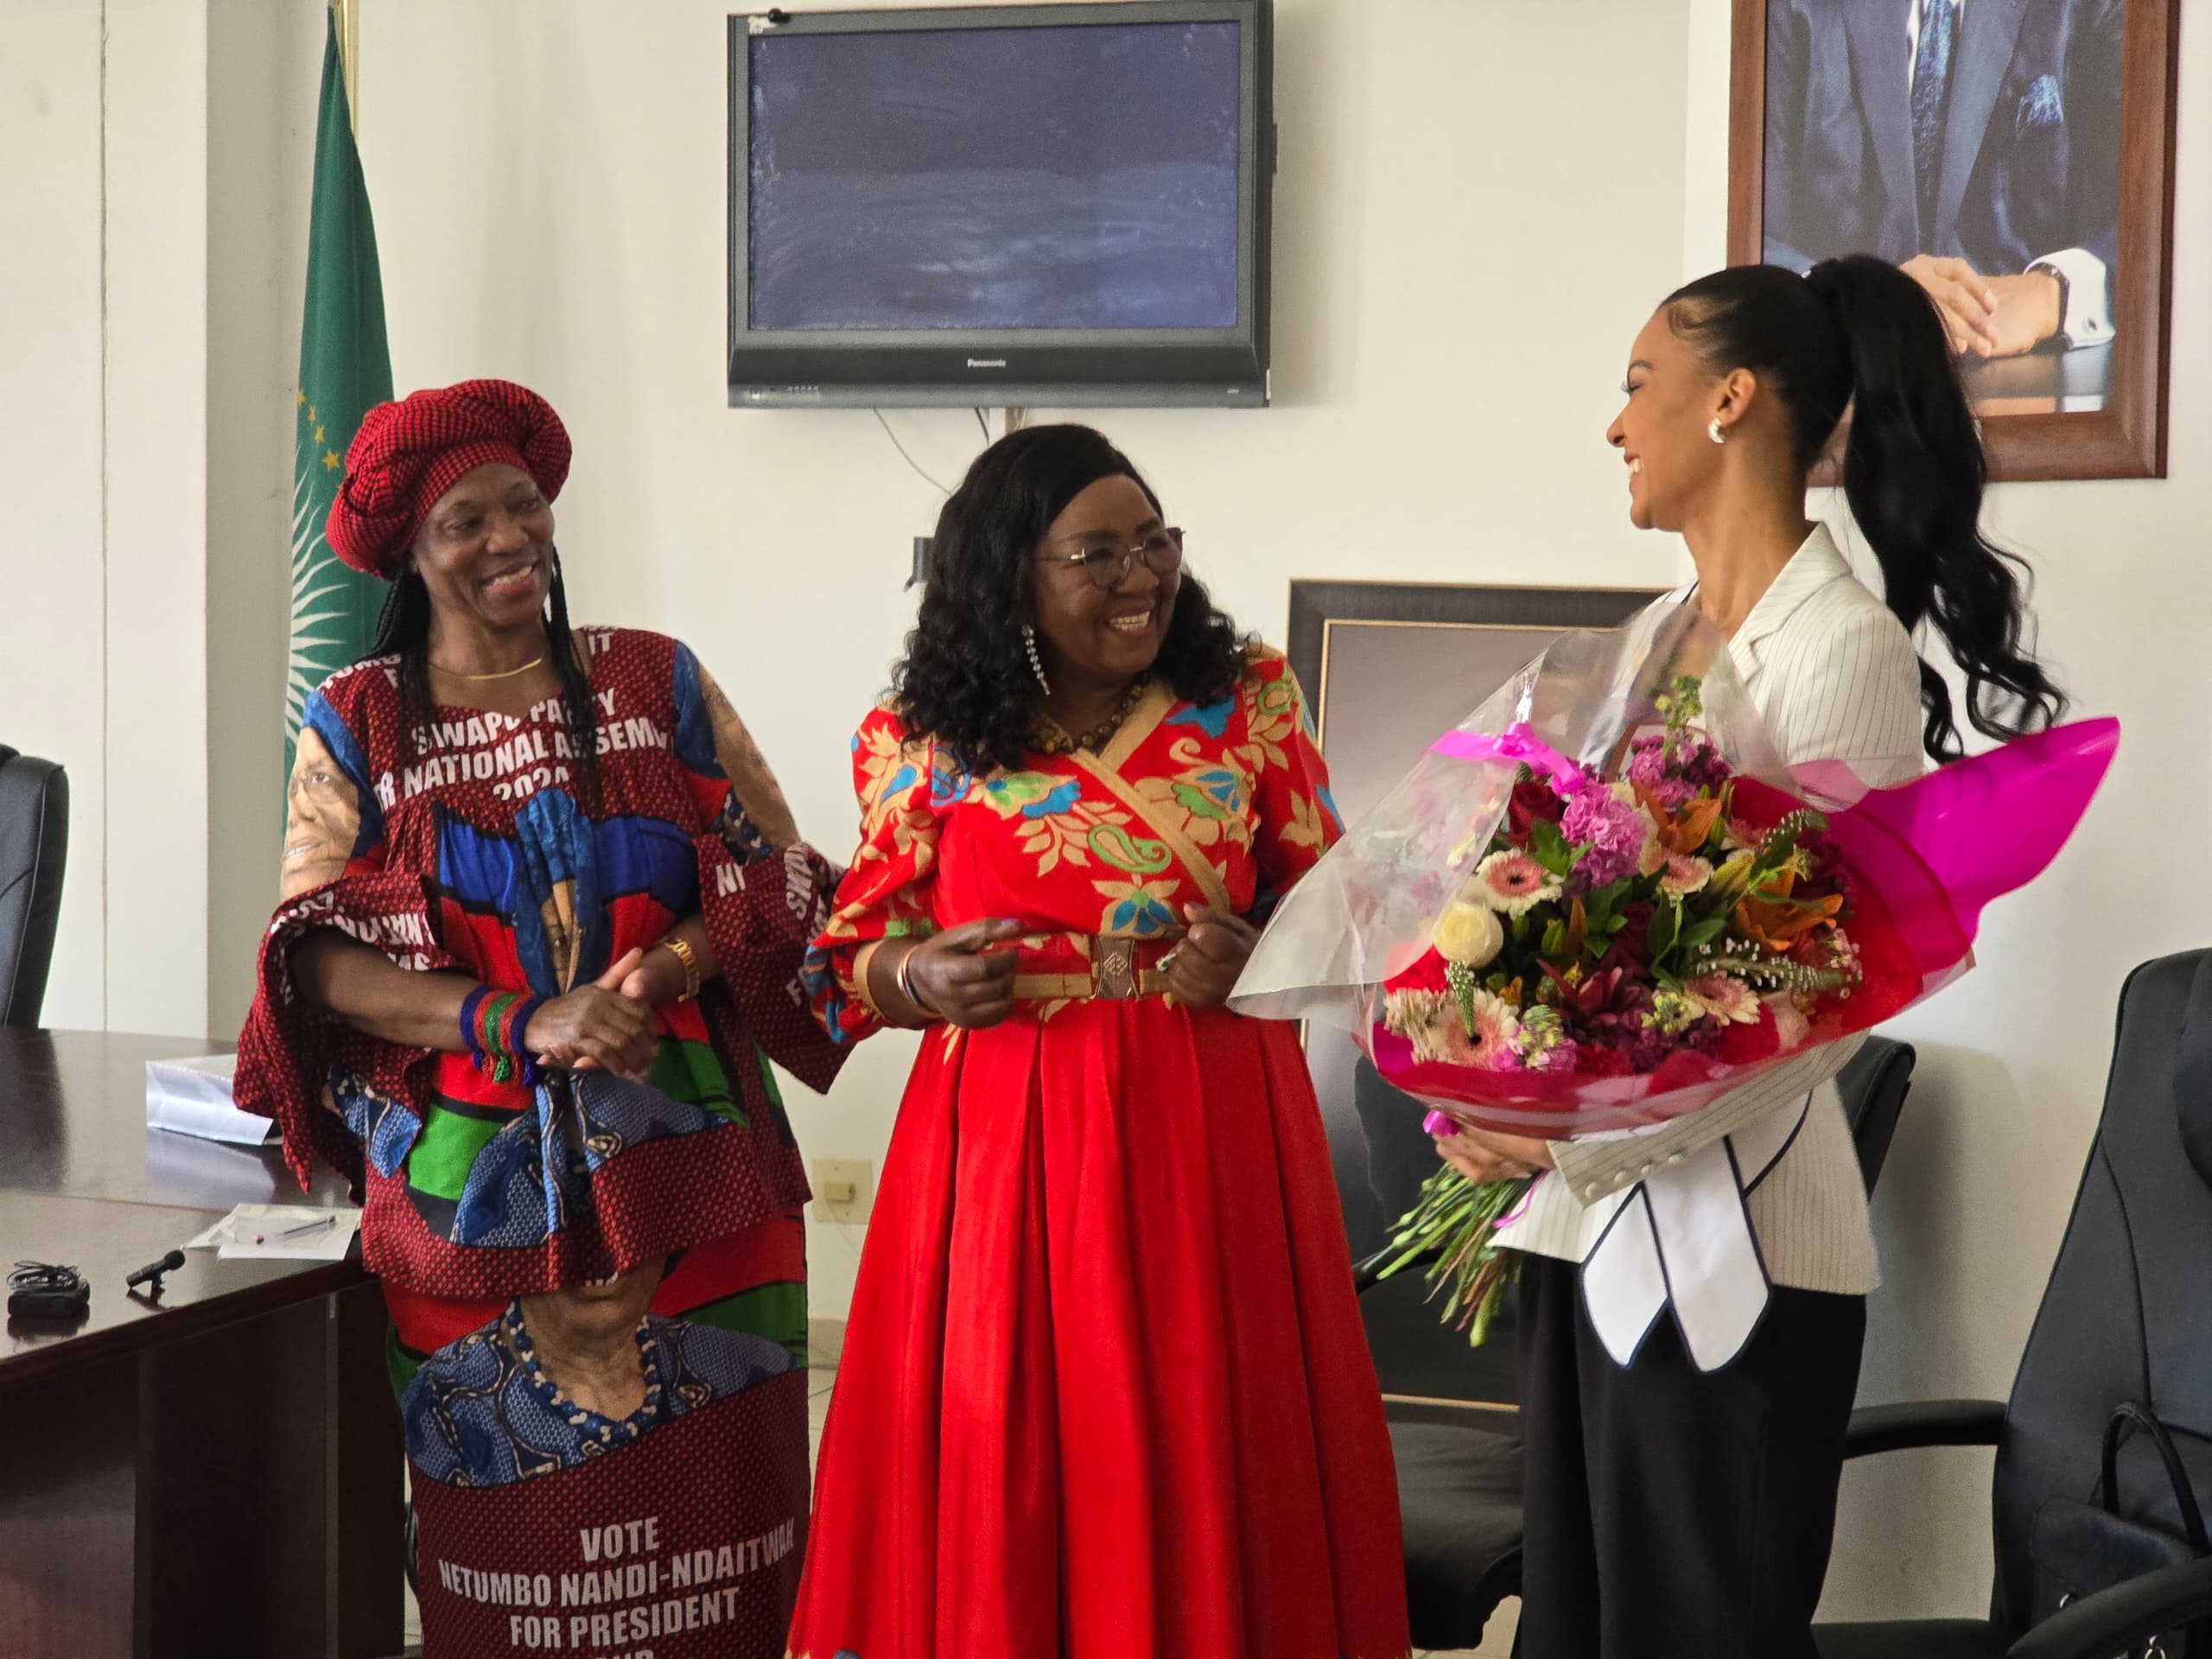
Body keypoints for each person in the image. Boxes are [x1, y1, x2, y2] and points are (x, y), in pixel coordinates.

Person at [1433, 257, 2066, 1658]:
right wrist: (1497, 1063)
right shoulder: (1653, 644)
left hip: (1735, 1263)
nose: (1615, 424)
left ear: (1728, 401)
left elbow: (1812, 995)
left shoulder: (1842, 653)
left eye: (1636, 385)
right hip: (1587, 1242)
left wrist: (1567, 1136)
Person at [234, 379, 843, 1653]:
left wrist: (664, 968)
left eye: (524, 507)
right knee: (506, 1557)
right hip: (468, 1191)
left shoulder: (655, 679)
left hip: (697, 1167)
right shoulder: (358, 718)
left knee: (728, 1536)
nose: (509, 539)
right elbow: (313, 960)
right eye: (466, 522)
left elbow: (780, 878)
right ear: (409, 551)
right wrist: (525, 1022)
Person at [787, 424, 1409, 1659]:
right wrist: (917, 974)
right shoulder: (920, 736)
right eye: (1097, 555)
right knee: (1010, 1425)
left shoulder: (1247, 698)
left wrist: (1257, 957)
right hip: (1003, 1140)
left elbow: (1346, 907)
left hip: (1210, 1114)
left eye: (1154, 544)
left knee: (1203, 1412)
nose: (1141, 577)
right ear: (1009, 574)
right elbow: (845, 958)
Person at [1763, 0, 2124, 361]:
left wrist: (2051, 294)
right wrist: (1848, 297)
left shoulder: (2095, 8)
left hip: (2037, 365)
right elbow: (1748, 232)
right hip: (1844, 361)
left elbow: (2144, 220)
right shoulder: (1786, 9)